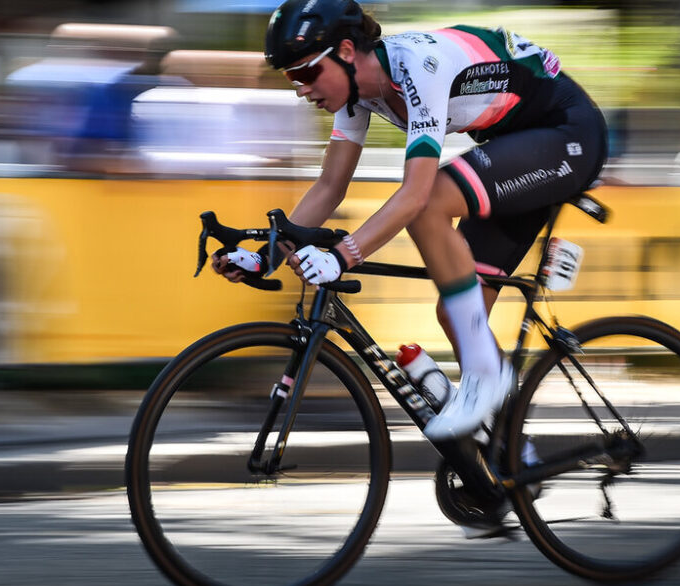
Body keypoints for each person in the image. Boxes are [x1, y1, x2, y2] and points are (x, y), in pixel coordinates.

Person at [213, 0, 607, 442]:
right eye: (292, 78)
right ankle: (513, 455)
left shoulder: (418, 68)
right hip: (517, 142)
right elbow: (329, 187)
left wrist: (341, 257)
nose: (302, 89)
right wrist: (263, 257)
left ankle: (485, 377)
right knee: (457, 315)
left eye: (306, 72)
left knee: (431, 202)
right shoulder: (355, 94)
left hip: (567, 134)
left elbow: (416, 195)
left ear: (346, 51)